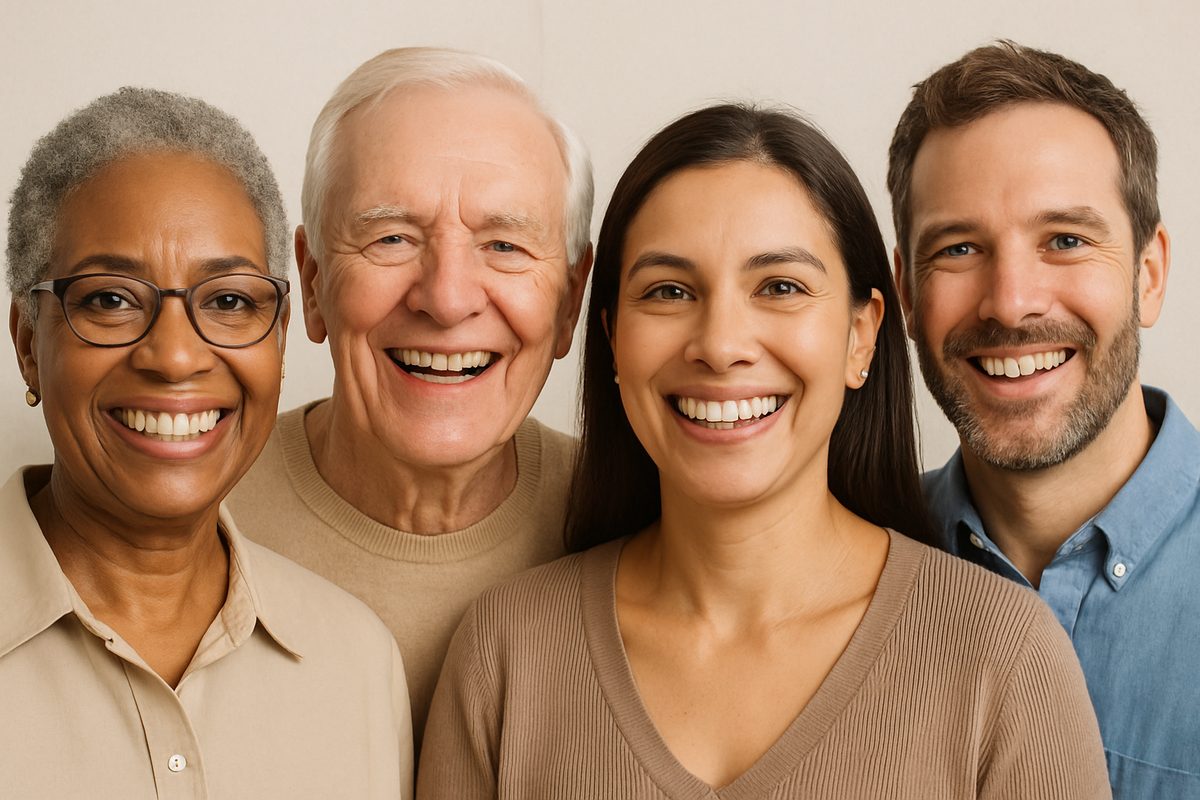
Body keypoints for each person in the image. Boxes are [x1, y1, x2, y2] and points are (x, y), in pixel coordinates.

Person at [418, 103, 1110, 798]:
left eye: (780, 287)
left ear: (861, 336)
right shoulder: (504, 651)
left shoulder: (1004, 657)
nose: (720, 345)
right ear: (613, 340)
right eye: (669, 291)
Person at [0, 88, 412, 798]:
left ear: (279, 340)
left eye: (228, 301)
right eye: (110, 299)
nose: (175, 357)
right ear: (29, 345)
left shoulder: (356, 662)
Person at [225, 47, 593, 747]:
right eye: (391, 238)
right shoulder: (194, 519)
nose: (447, 300)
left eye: (505, 245)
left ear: (571, 300)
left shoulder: (634, 516)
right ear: (312, 283)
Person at [887, 41, 1199, 798]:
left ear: (1149, 274)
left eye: (1065, 240)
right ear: (906, 294)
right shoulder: (844, 568)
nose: (1011, 302)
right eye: (959, 248)